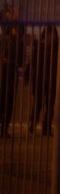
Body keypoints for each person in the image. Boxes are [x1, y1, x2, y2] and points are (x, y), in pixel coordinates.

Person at [28, 25, 59, 136]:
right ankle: (33, 126)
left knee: (49, 105)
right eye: (49, 36)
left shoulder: (57, 48)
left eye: (52, 36)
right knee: (38, 104)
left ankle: (46, 128)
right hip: (40, 79)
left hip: (51, 80)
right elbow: (32, 64)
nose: (51, 39)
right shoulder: (40, 48)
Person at [0, 8, 21, 137]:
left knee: (7, 101)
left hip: (9, 74)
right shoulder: (9, 39)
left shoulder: (13, 39)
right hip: (7, 74)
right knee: (6, 101)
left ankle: (4, 127)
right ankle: (4, 127)